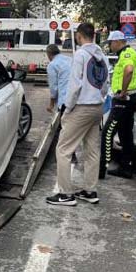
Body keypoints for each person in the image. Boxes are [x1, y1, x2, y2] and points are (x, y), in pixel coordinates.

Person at [46, 23, 109, 207]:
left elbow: (74, 86)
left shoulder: (80, 55)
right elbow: (105, 84)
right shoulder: (102, 56)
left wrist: (68, 108)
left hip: (81, 107)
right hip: (97, 106)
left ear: (79, 36)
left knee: (63, 149)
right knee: (92, 150)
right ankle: (90, 190)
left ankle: (65, 194)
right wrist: (99, 97)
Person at [101, 31, 136, 180]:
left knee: (107, 132)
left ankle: (101, 168)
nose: (109, 46)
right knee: (125, 133)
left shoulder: (126, 54)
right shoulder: (127, 54)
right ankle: (126, 167)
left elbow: (128, 70)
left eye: (110, 43)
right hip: (129, 98)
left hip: (123, 99)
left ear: (117, 42)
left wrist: (123, 92)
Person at [46, 44, 72, 115]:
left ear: (49, 54)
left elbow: (53, 87)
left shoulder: (52, 65)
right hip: (77, 98)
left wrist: (51, 104)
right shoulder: (70, 59)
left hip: (65, 100)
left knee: (64, 120)